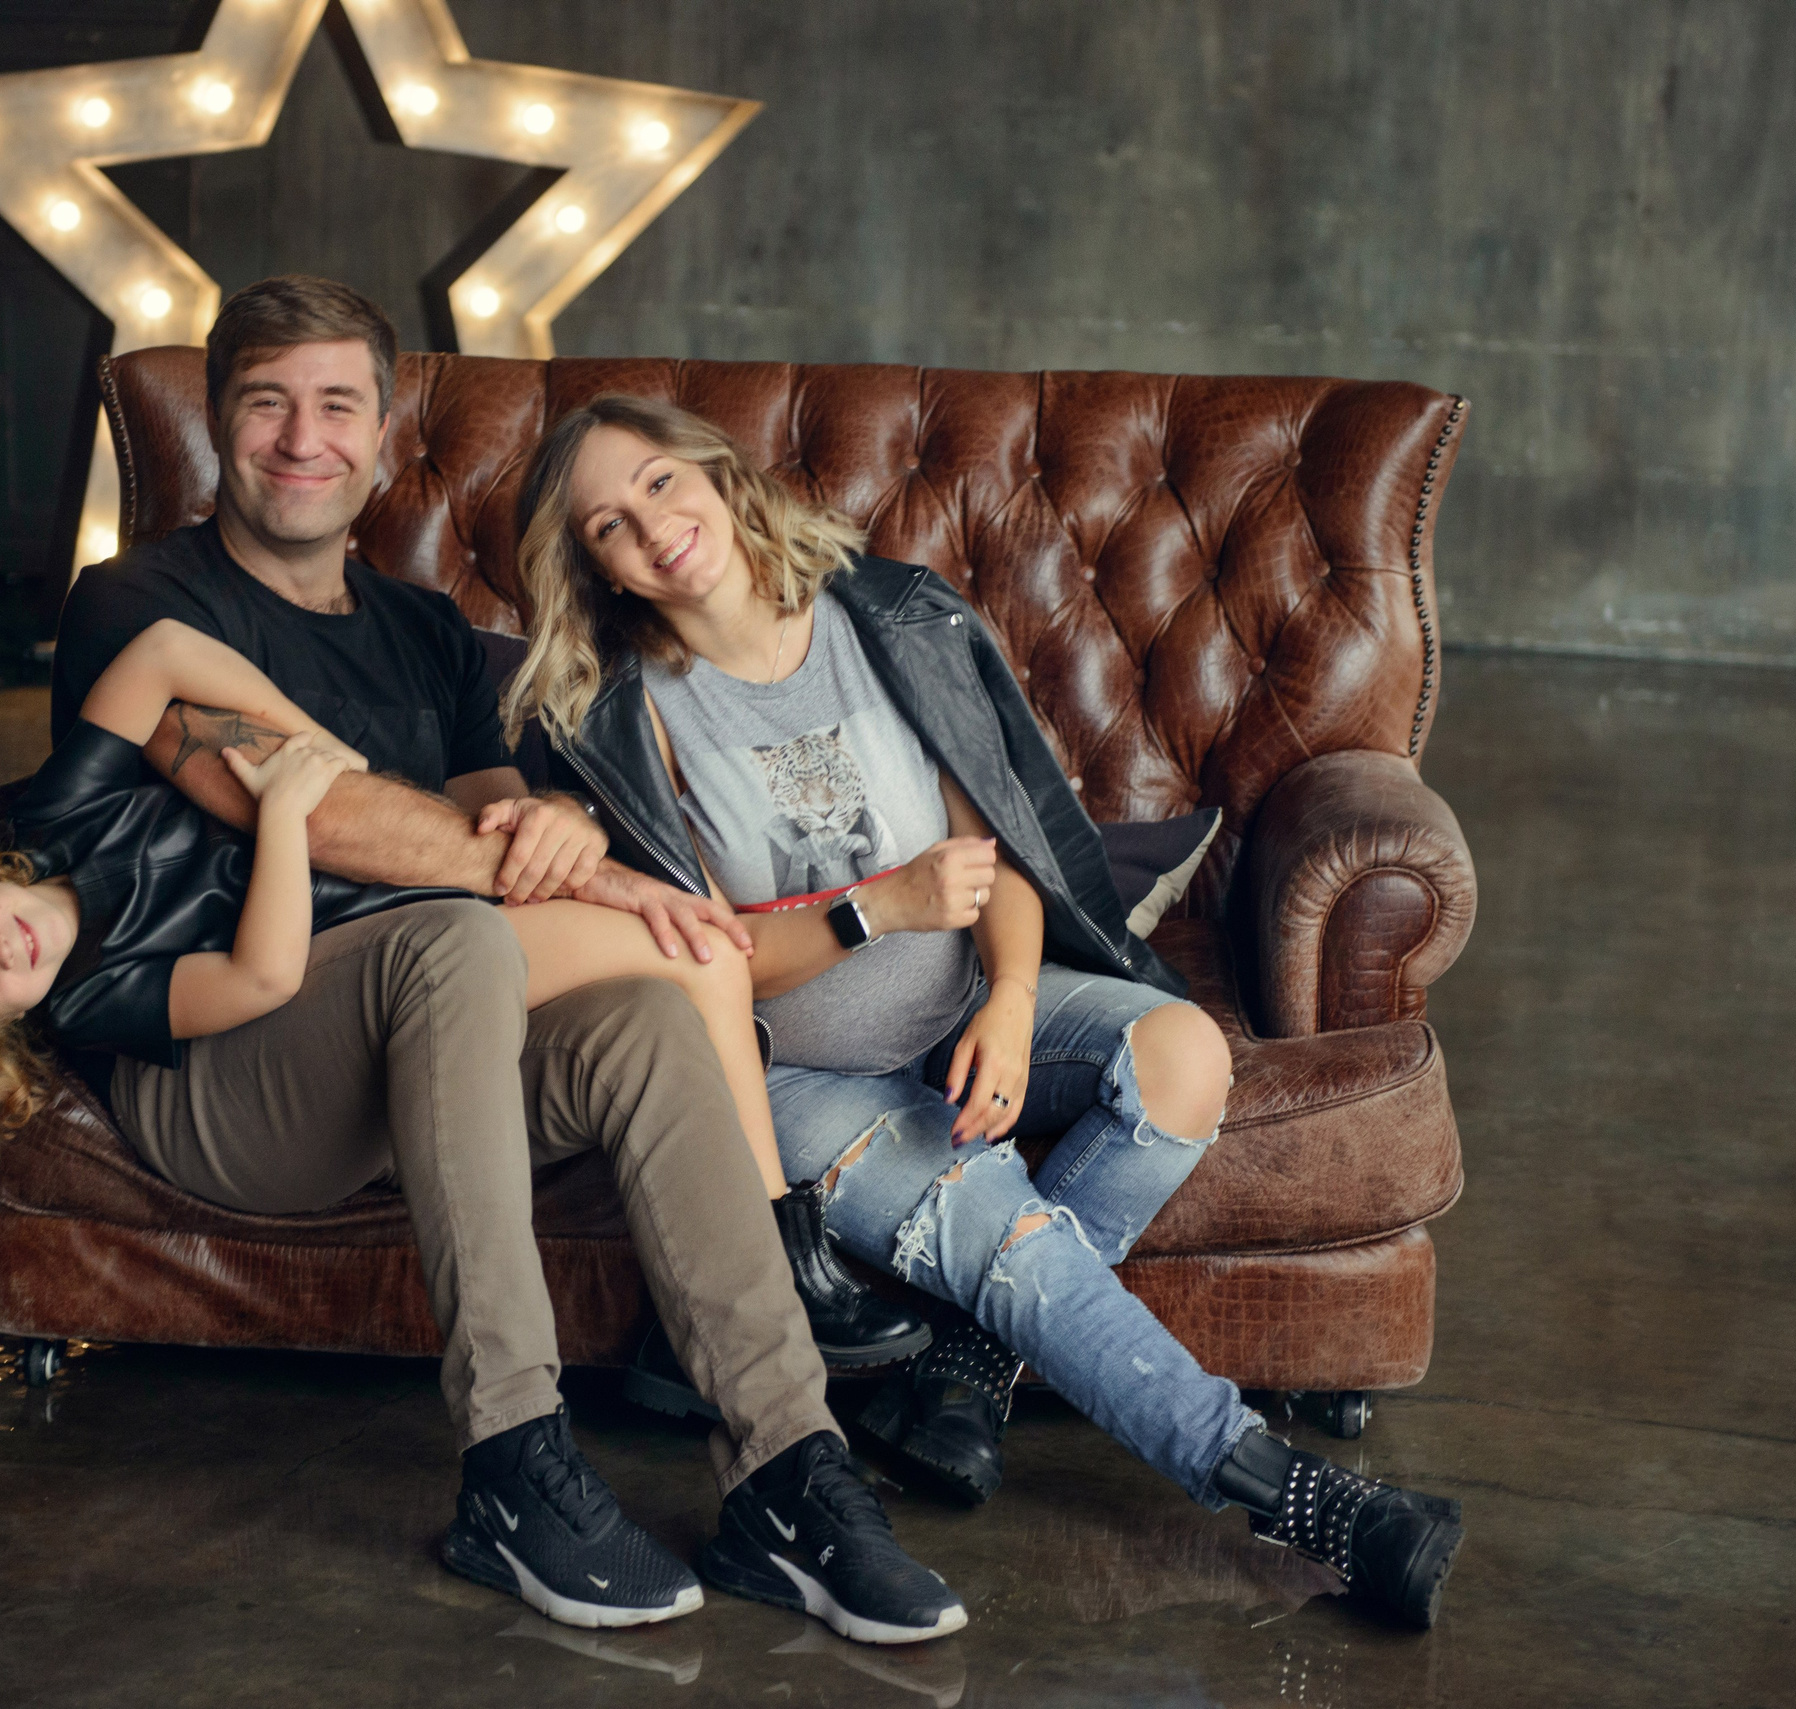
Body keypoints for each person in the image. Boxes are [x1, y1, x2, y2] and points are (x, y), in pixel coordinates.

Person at [16, 276, 956, 1641]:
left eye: (337, 403)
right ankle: (512, 1461)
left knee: (642, 1012)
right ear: (217, 421)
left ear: (387, 432)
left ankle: (785, 1464)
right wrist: (593, 872)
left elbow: (495, 816)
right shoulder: (136, 603)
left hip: (416, 1059)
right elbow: (309, 798)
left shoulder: (427, 632)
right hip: (216, 1062)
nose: (300, 437)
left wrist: (561, 823)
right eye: (264, 403)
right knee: (457, 936)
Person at [499, 393, 1468, 1630]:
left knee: (1177, 1053)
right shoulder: (625, 719)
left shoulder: (887, 615)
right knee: (1007, 1235)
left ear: (712, 471)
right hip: (801, 1081)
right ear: (594, 569)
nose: (650, 528)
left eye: (656, 485)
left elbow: (997, 853)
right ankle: (1301, 1500)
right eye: (606, 527)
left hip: (966, 997)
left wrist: (1009, 1003)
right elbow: (707, 963)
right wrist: (872, 909)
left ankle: (967, 1370)